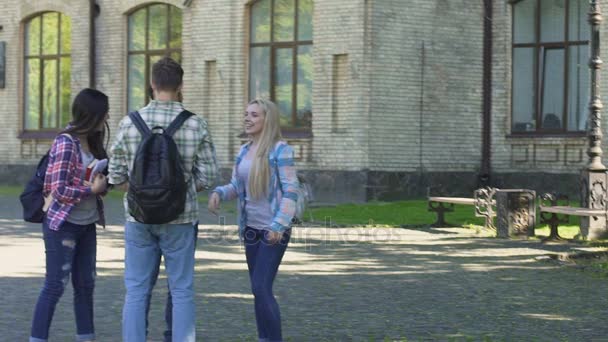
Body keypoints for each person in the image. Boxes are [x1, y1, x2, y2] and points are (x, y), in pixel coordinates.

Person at [109, 57, 218, 342]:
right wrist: (180, 191)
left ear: (152, 84)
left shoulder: (129, 123)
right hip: (181, 218)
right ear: (181, 86)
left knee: (136, 290)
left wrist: (139, 192)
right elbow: (208, 175)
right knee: (181, 289)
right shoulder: (196, 125)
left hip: (139, 218)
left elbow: (115, 173)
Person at [208, 98, 299, 342]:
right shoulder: (244, 151)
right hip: (251, 229)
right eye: (246, 114)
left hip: (274, 230)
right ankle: (264, 338)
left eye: (254, 115)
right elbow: (237, 186)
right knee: (258, 290)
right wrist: (219, 193)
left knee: (261, 286)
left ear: (267, 119)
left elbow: (292, 191)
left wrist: (279, 225)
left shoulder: (281, 150)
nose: (247, 118)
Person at [30, 88, 110, 342]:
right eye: (104, 113)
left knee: (86, 287)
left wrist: (103, 185)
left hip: (87, 225)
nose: (107, 118)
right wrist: (90, 189)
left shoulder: (93, 142)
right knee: (55, 286)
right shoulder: (66, 142)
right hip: (62, 225)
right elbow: (58, 189)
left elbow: (95, 185)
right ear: (92, 115)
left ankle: (86, 337)